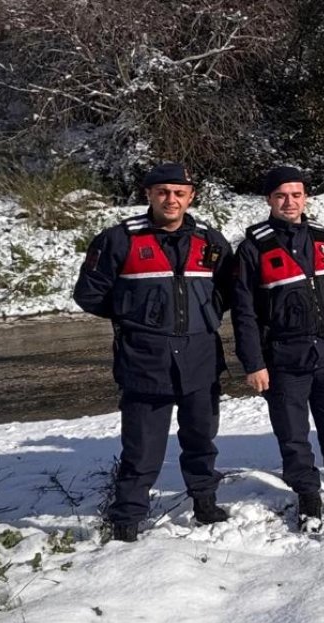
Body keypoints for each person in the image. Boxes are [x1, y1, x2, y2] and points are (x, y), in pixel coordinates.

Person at [73, 163, 234, 542]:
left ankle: (205, 502)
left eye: (179, 193)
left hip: (200, 358)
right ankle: (127, 516)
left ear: (191, 196)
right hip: (145, 361)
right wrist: (136, 315)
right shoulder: (119, 239)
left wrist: (205, 314)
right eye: (163, 191)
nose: (171, 199)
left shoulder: (211, 242)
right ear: (149, 194)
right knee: (142, 449)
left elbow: (229, 290)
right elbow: (89, 294)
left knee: (201, 439)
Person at [232, 166, 324, 530]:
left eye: (296, 195)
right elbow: (244, 313)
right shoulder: (254, 247)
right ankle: (309, 497)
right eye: (281, 195)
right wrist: (254, 363)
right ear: (269, 200)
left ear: (305, 197)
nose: (290, 202)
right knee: (293, 434)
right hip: (284, 357)